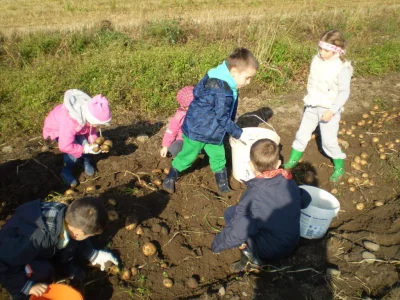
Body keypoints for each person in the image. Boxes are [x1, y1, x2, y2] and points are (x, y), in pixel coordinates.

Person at [162, 48, 258, 195]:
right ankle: (170, 177)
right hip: (197, 131)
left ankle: (223, 185)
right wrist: (239, 133)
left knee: (219, 157)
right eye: (247, 78)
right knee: (188, 156)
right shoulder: (222, 91)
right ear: (234, 72)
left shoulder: (219, 77)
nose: (249, 82)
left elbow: (197, 92)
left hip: (213, 131)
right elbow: (222, 117)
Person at [211, 139, 311, 272]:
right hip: (292, 241)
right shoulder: (288, 181)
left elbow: (237, 231)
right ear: (279, 164)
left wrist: (217, 245)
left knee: (231, 213)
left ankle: (250, 258)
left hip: (270, 249)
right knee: (250, 217)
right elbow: (306, 199)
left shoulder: (253, 197)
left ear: (250, 165)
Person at [0, 197, 118, 299]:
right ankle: (20, 294)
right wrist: (27, 287)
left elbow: (75, 237)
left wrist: (92, 254)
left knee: (69, 243)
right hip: (12, 254)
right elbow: (4, 263)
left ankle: (63, 267)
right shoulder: (37, 238)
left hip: (38, 244)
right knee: (43, 270)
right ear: (78, 233)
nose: (88, 238)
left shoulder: (68, 215)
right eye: (89, 236)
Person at [283, 29, 353, 182]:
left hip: (328, 109)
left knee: (328, 141)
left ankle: (339, 164)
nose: (321, 52)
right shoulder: (317, 60)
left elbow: (343, 93)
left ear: (337, 50)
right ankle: (293, 160)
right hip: (312, 104)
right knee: (302, 134)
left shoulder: (342, 68)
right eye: (320, 48)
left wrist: (333, 110)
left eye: (326, 50)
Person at [43, 89, 112, 187]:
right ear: (91, 118)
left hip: (77, 128)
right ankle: (66, 171)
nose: (99, 126)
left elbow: (91, 131)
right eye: (98, 124)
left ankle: (86, 161)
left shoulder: (89, 115)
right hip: (59, 130)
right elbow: (65, 146)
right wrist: (85, 148)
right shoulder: (70, 121)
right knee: (73, 155)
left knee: (85, 142)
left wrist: (95, 145)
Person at [160, 86, 194, 158]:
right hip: (182, 141)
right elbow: (171, 131)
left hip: (198, 141)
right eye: (185, 107)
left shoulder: (202, 114)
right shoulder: (179, 116)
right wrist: (165, 146)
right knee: (172, 150)